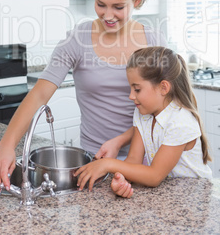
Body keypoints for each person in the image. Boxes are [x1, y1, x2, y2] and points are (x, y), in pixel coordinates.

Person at [0, 0, 166, 196]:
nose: (108, 15)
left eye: (118, 7)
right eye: (100, 4)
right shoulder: (77, 40)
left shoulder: (154, 41)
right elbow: (40, 93)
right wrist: (6, 146)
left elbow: (166, 112)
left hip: (147, 164)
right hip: (93, 166)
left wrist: (120, 141)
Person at [75, 46, 212, 198]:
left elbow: (154, 176)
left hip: (193, 199)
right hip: (167, 197)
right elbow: (133, 160)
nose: (131, 96)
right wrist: (121, 180)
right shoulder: (142, 113)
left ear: (163, 87)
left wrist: (108, 164)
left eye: (137, 89)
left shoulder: (180, 121)